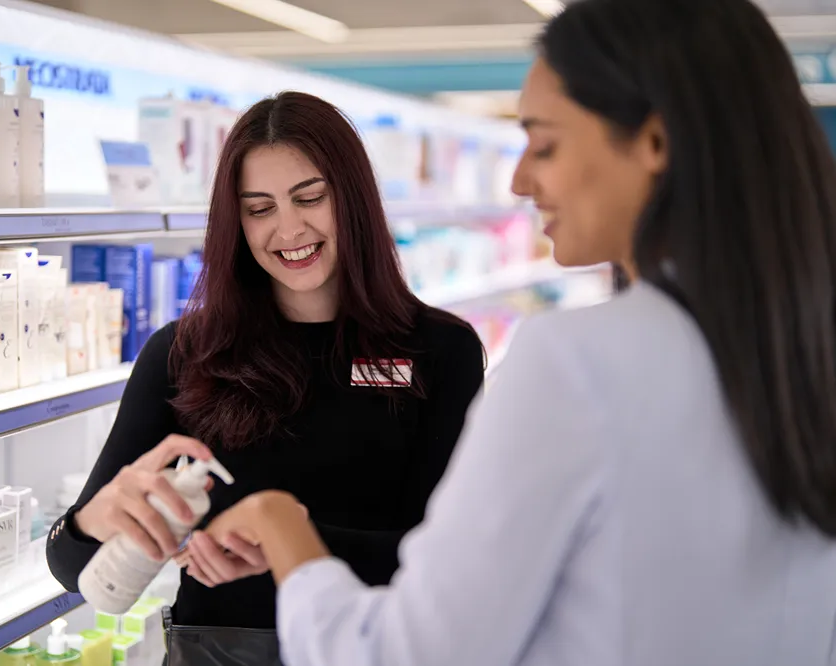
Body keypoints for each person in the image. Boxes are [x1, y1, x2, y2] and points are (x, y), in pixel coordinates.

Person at [197, 0, 836, 664]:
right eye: (259, 208)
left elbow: (407, 654)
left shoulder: (573, 362)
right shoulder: (804, 349)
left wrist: (285, 530)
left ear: (654, 143)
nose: (520, 178)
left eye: (546, 142)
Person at [46, 92, 484, 637]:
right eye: (259, 209)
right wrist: (94, 519)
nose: (289, 229)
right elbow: (70, 568)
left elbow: (450, 556)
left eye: (310, 198)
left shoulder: (440, 349)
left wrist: (283, 541)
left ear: (353, 198)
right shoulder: (183, 352)